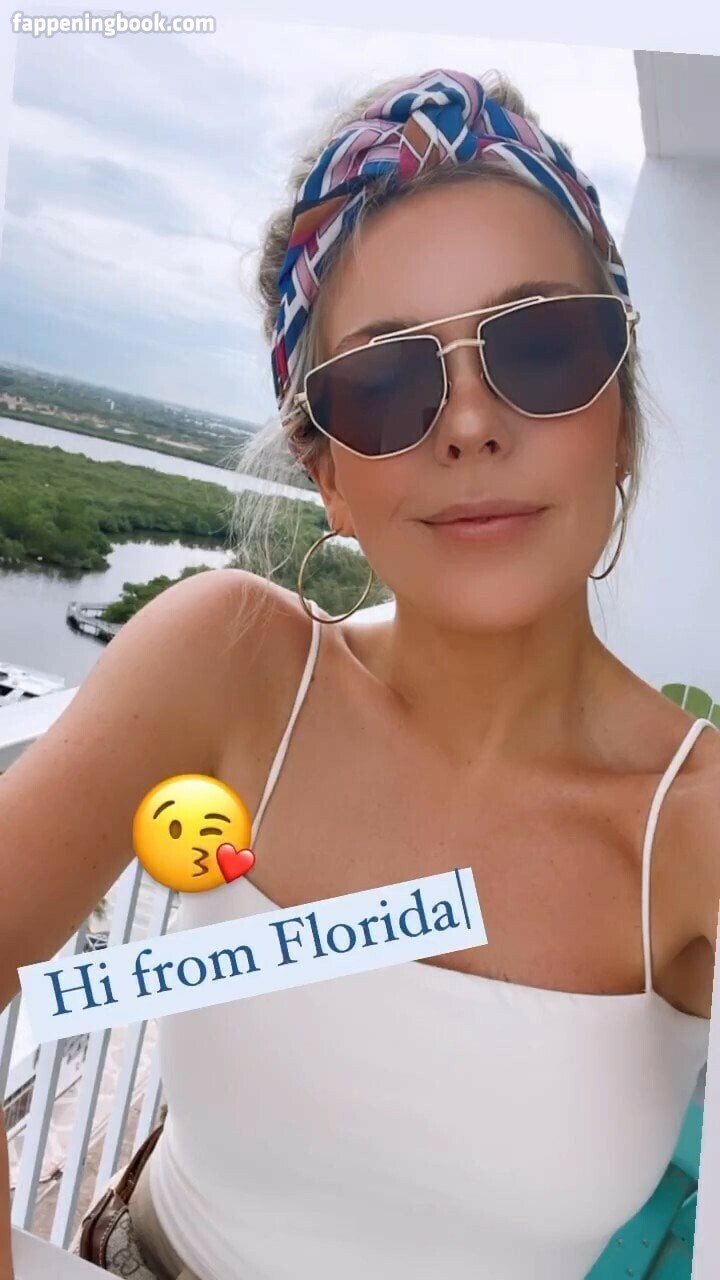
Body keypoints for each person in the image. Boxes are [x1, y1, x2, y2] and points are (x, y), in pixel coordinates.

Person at [1, 65, 719, 1280]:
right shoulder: (234, 666)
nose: (470, 423)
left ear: (622, 414)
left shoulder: (690, 829)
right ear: (326, 471)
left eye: (543, 347)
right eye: (385, 384)